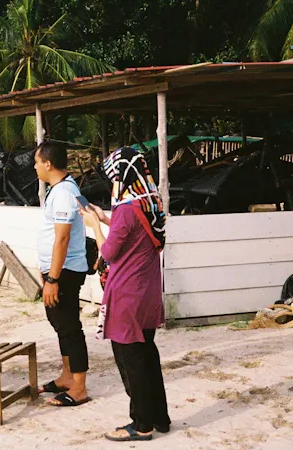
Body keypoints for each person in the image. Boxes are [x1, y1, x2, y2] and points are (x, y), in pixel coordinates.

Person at [78, 146, 170, 442]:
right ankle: (159, 417)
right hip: (148, 291)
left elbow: (108, 252)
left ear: (121, 175)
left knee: (131, 360)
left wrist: (94, 225)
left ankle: (141, 424)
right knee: (147, 355)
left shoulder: (127, 209)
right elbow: (131, 232)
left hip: (128, 292)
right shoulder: (149, 201)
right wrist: (106, 218)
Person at [33, 141, 90, 407]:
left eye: (36, 162)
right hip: (57, 269)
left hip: (65, 271)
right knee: (60, 324)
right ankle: (67, 376)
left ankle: (79, 387)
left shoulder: (65, 192)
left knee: (69, 327)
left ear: (48, 164)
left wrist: (53, 279)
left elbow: (63, 237)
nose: (34, 167)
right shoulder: (63, 189)